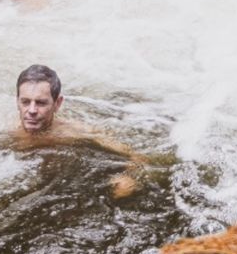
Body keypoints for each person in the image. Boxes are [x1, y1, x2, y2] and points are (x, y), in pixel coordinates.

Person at [13, 64, 141, 199]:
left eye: (41, 103)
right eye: (25, 102)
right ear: (17, 102)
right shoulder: (3, 129)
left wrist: (128, 177)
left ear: (57, 104)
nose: (32, 110)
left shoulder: (74, 131)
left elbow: (136, 157)